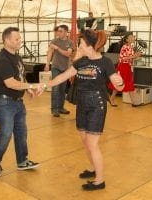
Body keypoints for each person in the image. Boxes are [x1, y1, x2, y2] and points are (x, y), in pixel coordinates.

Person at [41, 29, 124, 190]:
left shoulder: (105, 62)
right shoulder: (81, 62)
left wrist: (120, 82)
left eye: (81, 43)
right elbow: (61, 77)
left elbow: (118, 84)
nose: (78, 45)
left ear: (90, 46)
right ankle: (93, 169)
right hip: (82, 104)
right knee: (85, 142)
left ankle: (100, 180)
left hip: (97, 105)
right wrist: (42, 85)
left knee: (92, 145)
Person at [0, 27, 41, 177]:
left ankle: (22, 161)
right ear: (6, 40)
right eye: (17, 39)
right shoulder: (2, 59)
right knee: (5, 134)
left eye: (20, 38)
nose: (20, 41)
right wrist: (32, 85)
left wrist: (27, 89)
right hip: (4, 103)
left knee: (21, 133)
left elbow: (20, 77)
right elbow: (10, 83)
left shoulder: (16, 57)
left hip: (18, 102)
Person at [44, 24, 74, 117]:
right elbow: (50, 52)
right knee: (55, 88)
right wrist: (47, 64)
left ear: (66, 32)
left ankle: (61, 108)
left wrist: (57, 48)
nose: (58, 33)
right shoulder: (54, 41)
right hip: (56, 67)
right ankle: (54, 109)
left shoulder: (70, 42)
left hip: (65, 69)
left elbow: (68, 54)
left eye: (61, 31)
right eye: (58, 31)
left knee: (62, 89)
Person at [108, 31, 142, 106]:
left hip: (128, 67)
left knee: (128, 83)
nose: (133, 38)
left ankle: (133, 102)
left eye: (133, 36)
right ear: (127, 39)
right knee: (120, 83)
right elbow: (123, 58)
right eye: (131, 37)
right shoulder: (124, 47)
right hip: (123, 67)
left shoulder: (130, 47)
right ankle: (112, 99)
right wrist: (134, 56)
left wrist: (137, 57)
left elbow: (130, 58)